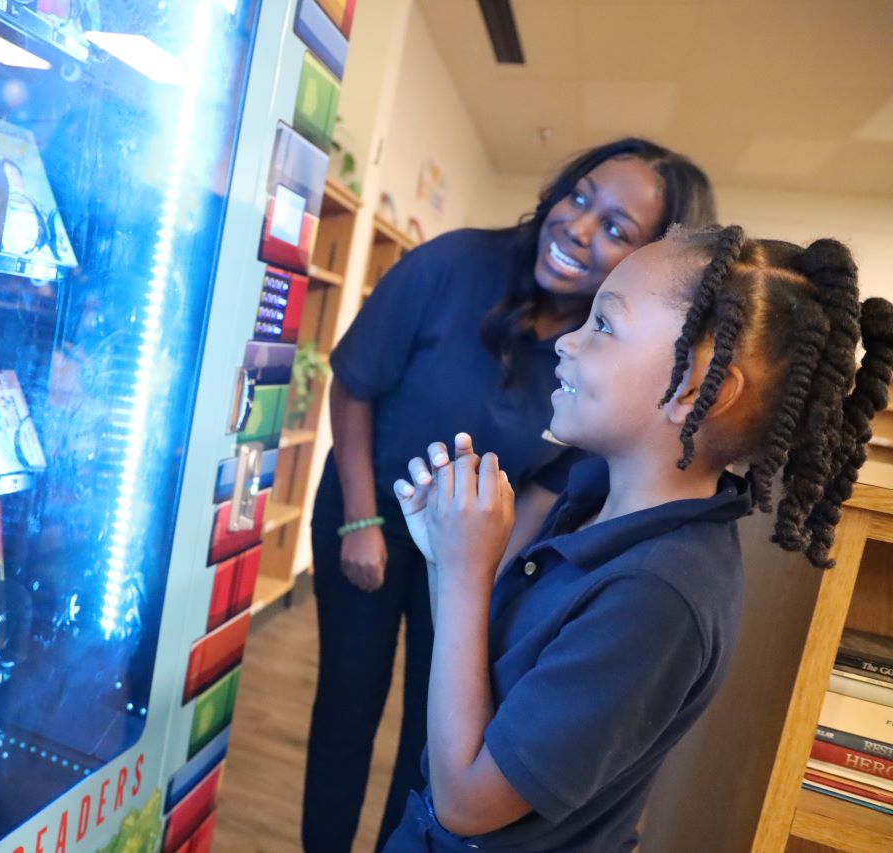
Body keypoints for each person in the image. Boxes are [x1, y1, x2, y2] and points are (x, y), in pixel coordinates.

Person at [384, 226, 893, 851]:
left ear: (692, 391)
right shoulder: (594, 502)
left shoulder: (657, 595)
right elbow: (486, 685)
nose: (568, 340)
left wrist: (465, 575)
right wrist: (447, 560)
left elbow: (467, 803)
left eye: (603, 324)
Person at [303, 138, 715, 852]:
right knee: (347, 703)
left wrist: (477, 575)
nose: (579, 227)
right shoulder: (452, 263)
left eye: (617, 228)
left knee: (432, 733)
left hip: (473, 545)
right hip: (372, 509)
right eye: (579, 196)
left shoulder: (608, 366)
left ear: (651, 264)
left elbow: (546, 486)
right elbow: (355, 385)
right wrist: (362, 521)